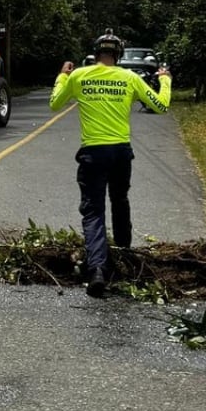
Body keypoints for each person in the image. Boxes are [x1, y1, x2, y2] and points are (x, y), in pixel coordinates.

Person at [50, 32, 172, 297]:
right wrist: (165, 81)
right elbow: (161, 106)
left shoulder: (79, 76)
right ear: (119, 54)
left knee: (93, 211)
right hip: (120, 153)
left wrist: (62, 75)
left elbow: (55, 103)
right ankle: (125, 257)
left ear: (95, 53)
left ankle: (97, 270)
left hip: (93, 153)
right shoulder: (130, 78)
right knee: (120, 201)